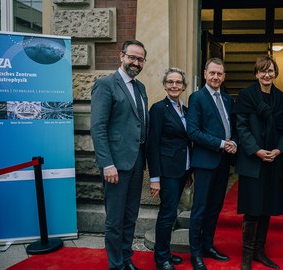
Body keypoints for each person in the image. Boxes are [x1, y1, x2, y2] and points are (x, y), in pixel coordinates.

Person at [90, 40, 149, 270]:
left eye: (140, 59)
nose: (136, 62)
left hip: (136, 162)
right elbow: (98, 127)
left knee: (130, 216)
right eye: (132, 57)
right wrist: (107, 164)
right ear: (121, 56)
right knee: (115, 220)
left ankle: (126, 258)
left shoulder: (140, 87)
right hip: (115, 165)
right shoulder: (105, 84)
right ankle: (116, 265)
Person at [233, 56, 283, 270]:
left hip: (273, 161)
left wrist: (278, 150)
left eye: (271, 71)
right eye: (262, 71)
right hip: (253, 161)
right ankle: (247, 255)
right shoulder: (246, 96)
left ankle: (260, 251)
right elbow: (241, 128)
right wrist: (256, 150)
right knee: (252, 209)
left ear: (275, 73)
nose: (267, 75)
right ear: (256, 74)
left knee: (266, 208)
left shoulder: (281, 98)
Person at [186, 57, 237, 270]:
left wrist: (233, 141)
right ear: (205, 73)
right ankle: (195, 252)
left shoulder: (227, 99)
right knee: (200, 208)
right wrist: (221, 143)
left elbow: (231, 126)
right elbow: (193, 131)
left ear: (224, 76)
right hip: (206, 162)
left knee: (215, 208)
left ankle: (208, 245)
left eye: (220, 74)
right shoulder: (197, 97)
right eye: (212, 73)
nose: (216, 77)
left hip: (223, 163)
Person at [147, 68, 192, 270]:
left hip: (182, 170)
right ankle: (161, 258)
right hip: (166, 171)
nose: (175, 85)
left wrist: (189, 172)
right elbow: (152, 144)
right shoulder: (158, 109)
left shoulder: (187, 110)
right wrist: (154, 177)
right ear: (165, 85)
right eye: (171, 82)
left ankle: (165, 252)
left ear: (184, 86)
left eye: (178, 82)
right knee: (167, 213)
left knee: (172, 213)